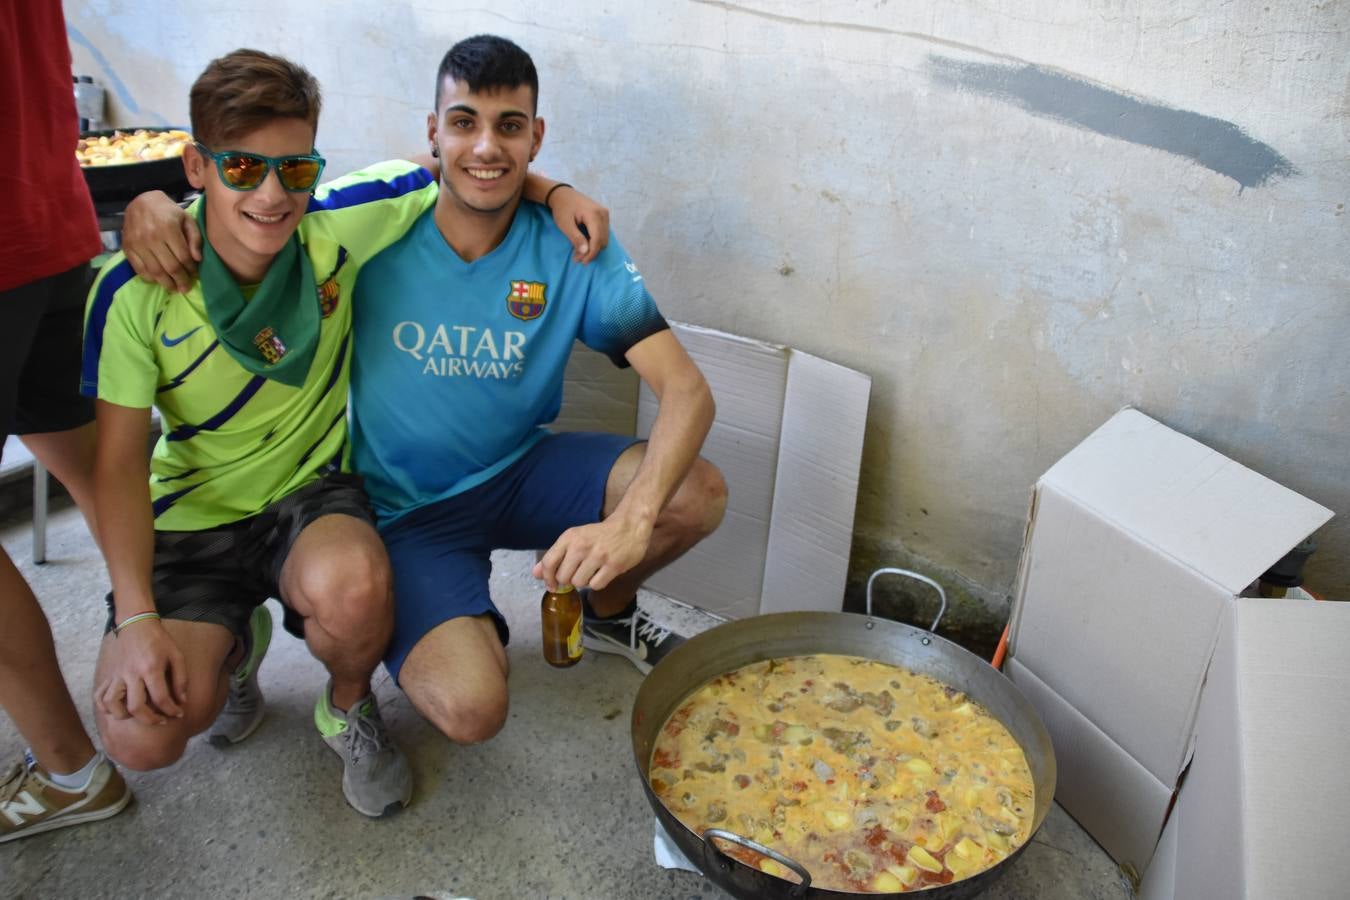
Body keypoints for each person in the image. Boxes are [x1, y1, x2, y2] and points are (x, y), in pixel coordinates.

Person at [83, 48, 608, 818]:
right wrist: (134, 620)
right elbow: (118, 466)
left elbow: (463, 165)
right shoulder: (136, 288)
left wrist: (555, 189)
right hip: (193, 512)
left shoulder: (341, 219)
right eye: (241, 169)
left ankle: (348, 703)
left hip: (309, 495)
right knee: (141, 735)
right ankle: (233, 647)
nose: (271, 196)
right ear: (196, 166)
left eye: (295, 170)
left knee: (357, 587)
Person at [346, 34, 727, 746]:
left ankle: (609, 612)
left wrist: (631, 522)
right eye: (463, 122)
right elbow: (260, 217)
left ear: (535, 135)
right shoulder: (377, 222)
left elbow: (688, 391)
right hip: (406, 508)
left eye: (509, 126)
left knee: (693, 493)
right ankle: (395, 646)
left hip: (520, 471)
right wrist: (161, 206)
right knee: (471, 709)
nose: (486, 146)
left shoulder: (573, 242)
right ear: (433, 131)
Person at [0, 0, 131, 843]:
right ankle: (186, 631)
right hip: (47, 215)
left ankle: (69, 769)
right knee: (88, 459)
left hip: (26, 229)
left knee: (94, 461)